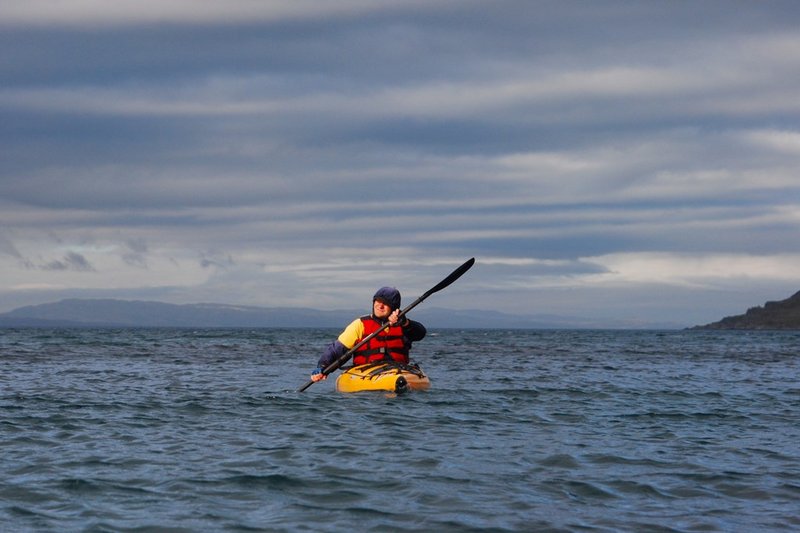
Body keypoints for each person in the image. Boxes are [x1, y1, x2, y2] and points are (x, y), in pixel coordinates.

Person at [310, 286, 427, 382]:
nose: (380, 306)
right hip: (366, 374)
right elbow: (337, 350)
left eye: (385, 304)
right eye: (378, 301)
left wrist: (405, 323)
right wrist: (322, 367)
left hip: (398, 372)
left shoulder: (404, 325)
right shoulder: (359, 324)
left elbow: (420, 333)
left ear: (394, 308)